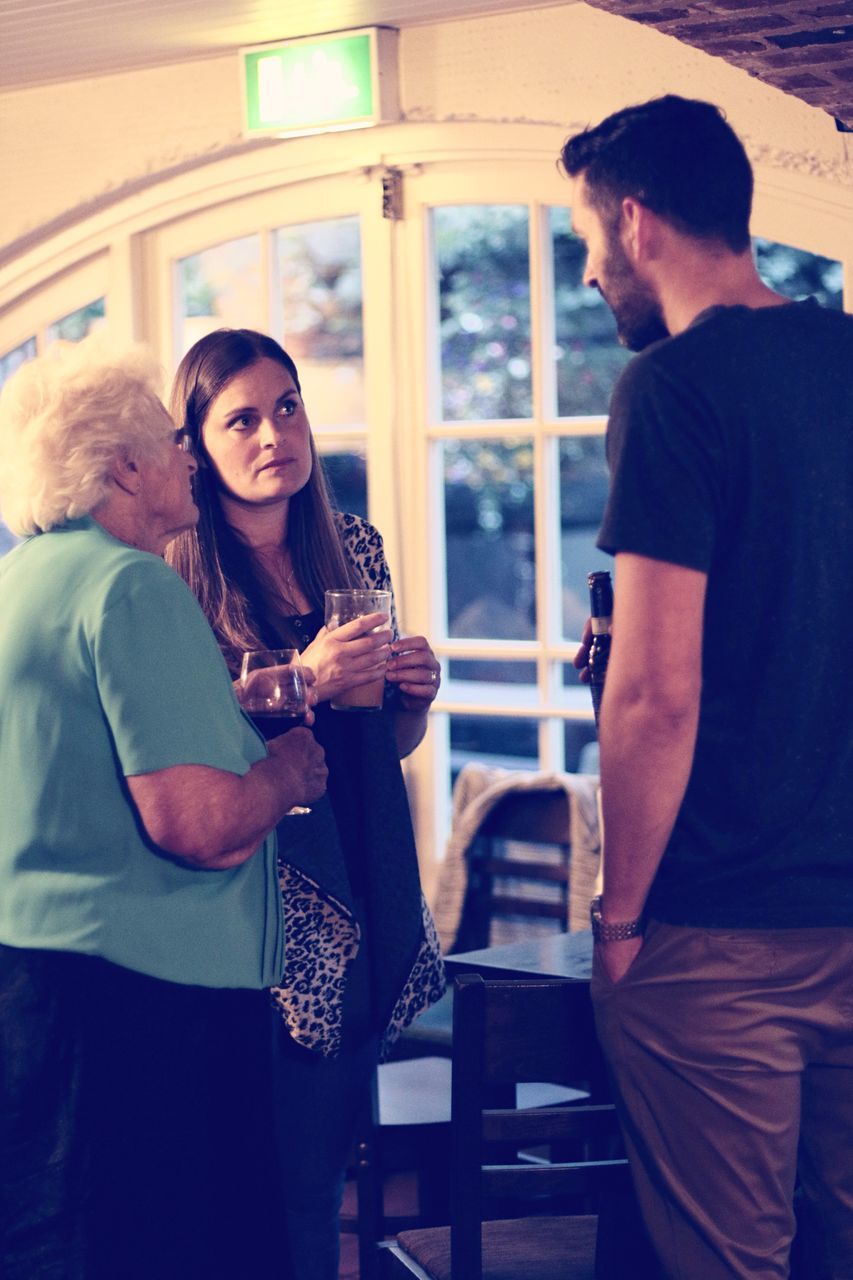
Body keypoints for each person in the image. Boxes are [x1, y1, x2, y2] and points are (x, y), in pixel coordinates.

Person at [561, 95, 853, 1278]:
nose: (586, 274)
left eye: (584, 239)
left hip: (722, 922)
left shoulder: (671, 389)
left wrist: (620, 916)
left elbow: (652, 695)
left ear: (636, 222)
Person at [0, 336, 328, 1280]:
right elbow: (199, 826)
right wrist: (285, 773)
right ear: (124, 465)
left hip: (37, 989)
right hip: (140, 1004)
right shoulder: (129, 583)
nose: (189, 455)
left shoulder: (24, 576)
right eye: (167, 436)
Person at [166, 327, 446, 1280]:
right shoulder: (174, 570)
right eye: (239, 419)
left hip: (364, 862)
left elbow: (378, 748)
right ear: (196, 444)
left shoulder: (352, 543)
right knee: (265, 1169)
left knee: (327, 1163)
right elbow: (185, 744)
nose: (272, 434)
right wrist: (299, 678)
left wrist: (412, 695)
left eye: (286, 407)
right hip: (264, 899)